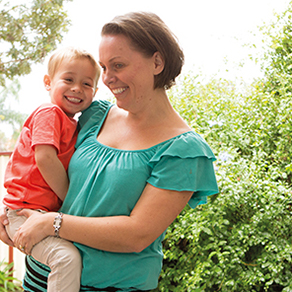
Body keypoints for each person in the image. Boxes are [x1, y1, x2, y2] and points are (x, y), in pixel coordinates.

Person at [0, 12, 218, 292]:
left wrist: (51, 223)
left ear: (157, 62)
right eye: (103, 67)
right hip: (41, 275)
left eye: (118, 65)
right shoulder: (94, 115)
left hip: (112, 286)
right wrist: (14, 212)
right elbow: (40, 158)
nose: (107, 79)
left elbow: (136, 235)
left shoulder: (184, 151)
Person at [2, 47, 100, 292]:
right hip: (24, 213)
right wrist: (71, 199)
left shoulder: (72, 123)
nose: (77, 88)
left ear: (95, 92)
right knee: (65, 258)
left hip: (40, 214)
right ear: (48, 82)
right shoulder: (49, 113)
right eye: (68, 79)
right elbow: (45, 157)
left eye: (86, 84)